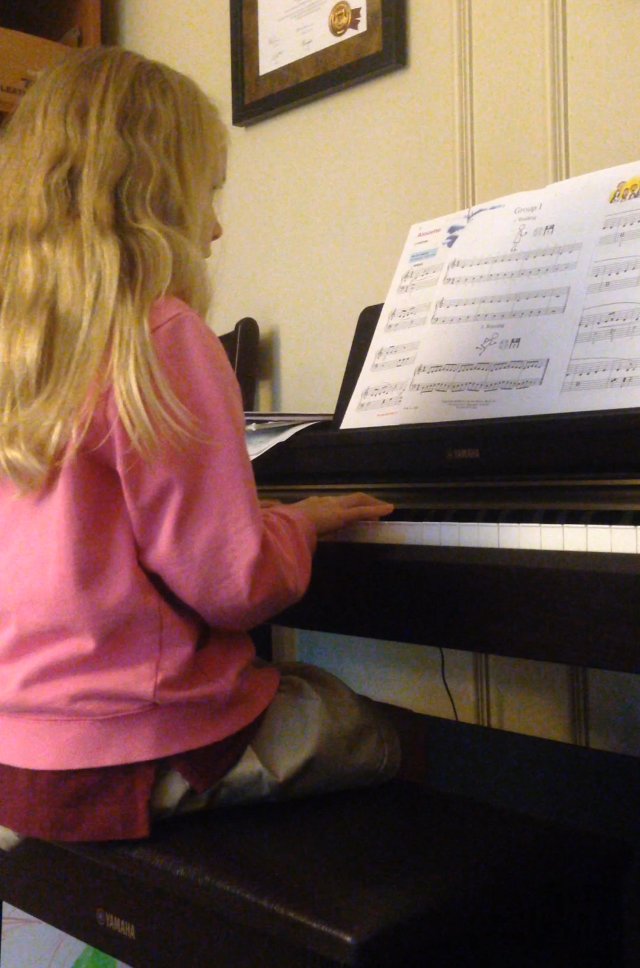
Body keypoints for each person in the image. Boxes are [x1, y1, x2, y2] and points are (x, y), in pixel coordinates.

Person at [0, 47, 399, 847]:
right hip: (133, 750)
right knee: (383, 731)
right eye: (206, 193)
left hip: (21, 752)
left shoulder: (21, 349)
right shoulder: (161, 333)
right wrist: (299, 522)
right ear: (152, 197)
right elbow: (233, 585)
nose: (214, 226)